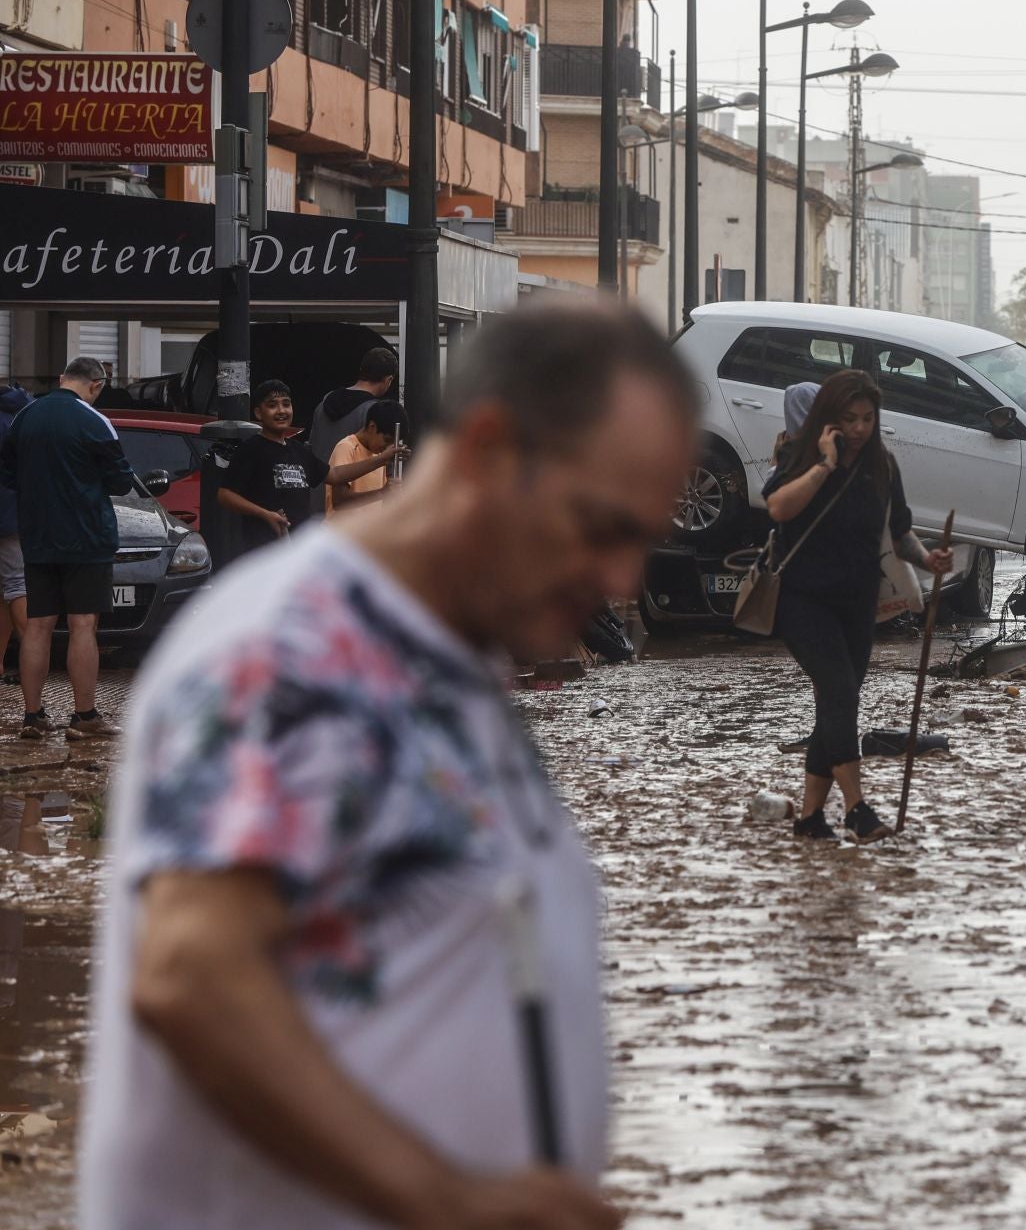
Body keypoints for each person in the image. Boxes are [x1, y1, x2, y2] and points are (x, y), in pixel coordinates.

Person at [80, 297, 694, 1230]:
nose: (622, 580)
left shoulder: (445, 661)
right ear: (488, 451)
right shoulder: (298, 647)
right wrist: (442, 1197)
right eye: (602, 525)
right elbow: (191, 973)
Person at [764, 369, 953, 845]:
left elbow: (899, 532)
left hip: (856, 603)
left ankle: (809, 819)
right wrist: (824, 465)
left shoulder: (882, 465)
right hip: (803, 601)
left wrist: (928, 559)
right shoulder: (799, 454)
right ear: (830, 417)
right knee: (841, 693)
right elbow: (779, 508)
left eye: (867, 418)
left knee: (835, 704)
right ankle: (857, 808)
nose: (859, 428)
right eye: (849, 418)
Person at [0, 358, 134, 741]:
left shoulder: (25, 417)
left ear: (62, 379)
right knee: (83, 625)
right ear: (96, 385)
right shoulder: (94, 420)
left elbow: (8, 473)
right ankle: (85, 715)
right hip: (86, 539)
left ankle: (33, 717)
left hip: (38, 539)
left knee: (38, 627)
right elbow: (121, 481)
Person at [219, 381, 402, 556]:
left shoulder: (299, 450)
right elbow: (225, 495)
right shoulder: (252, 448)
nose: (281, 410)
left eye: (286, 404)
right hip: (263, 551)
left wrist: (381, 460)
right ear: (259, 413)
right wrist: (265, 514)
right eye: (272, 405)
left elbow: (335, 474)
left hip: (297, 549)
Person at [306, 347, 399, 473]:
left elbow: (311, 446)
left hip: (316, 488)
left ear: (362, 371)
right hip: (353, 490)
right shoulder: (375, 413)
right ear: (388, 380)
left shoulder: (324, 402)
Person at [323, 400, 411, 516]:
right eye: (387, 440)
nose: (387, 447)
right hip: (341, 532)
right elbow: (339, 502)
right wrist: (381, 493)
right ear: (372, 426)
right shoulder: (346, 447)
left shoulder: (380, 455)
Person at [0, 385, 29, 687]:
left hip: (6, 516)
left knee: (14, 588)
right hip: (16, 515)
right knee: (11, 588)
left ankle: (32, 653)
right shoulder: (23, 416)